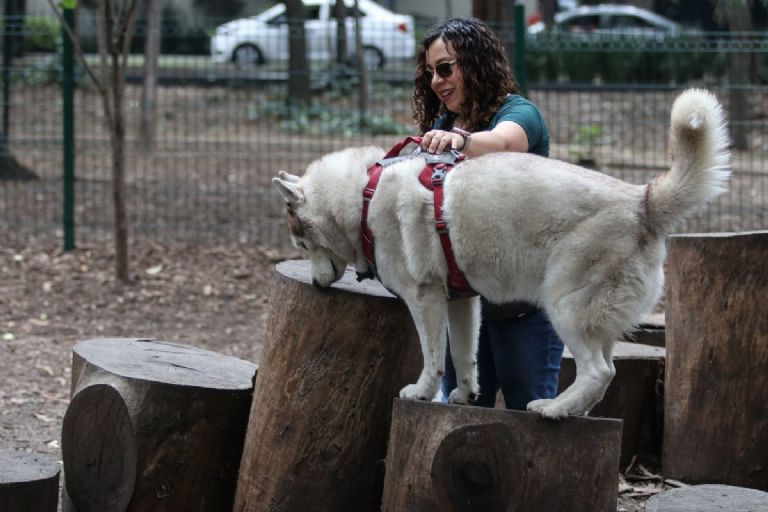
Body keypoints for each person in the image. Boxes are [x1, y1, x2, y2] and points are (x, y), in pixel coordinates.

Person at [412, 17, 564, 410]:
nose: (436, 81)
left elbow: (503, 143)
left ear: (477, 62)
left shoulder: (519, 112)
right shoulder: (442, 126)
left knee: (531, 424)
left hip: (525, 312)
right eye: (430, 72)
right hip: (465, 315)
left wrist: (460, 140)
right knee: (460, 426)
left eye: (445, 68)